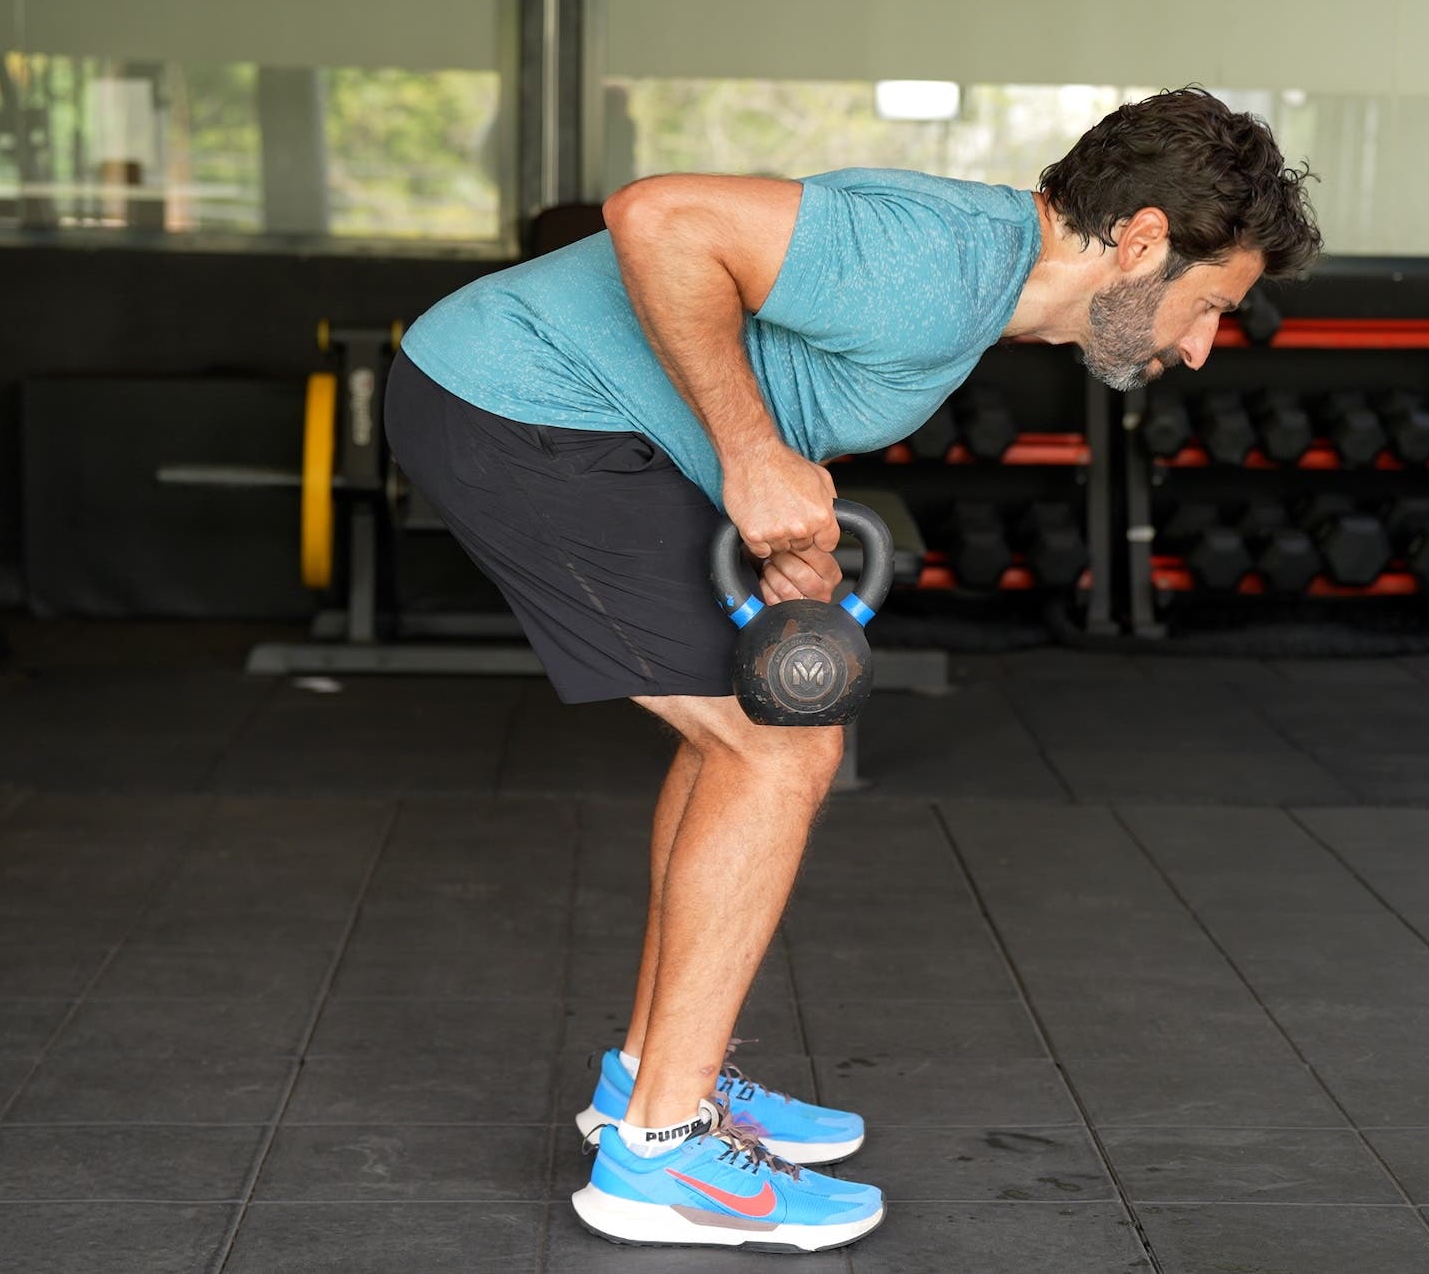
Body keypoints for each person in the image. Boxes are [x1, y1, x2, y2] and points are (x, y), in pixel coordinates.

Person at [382, 86, 1320, 1252]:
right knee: (780, 742)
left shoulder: (974, 286)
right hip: (518, 404)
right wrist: (751, 454)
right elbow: (657, 216)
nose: (1195, 344)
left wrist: (778, 512)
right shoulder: (938, 260)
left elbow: (756, 351)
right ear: (1139, 239)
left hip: (572, 417)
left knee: (749, 728)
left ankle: (652, 1083)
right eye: (1208, 304)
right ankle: (660, 1158)